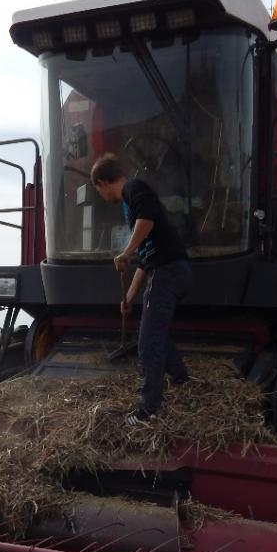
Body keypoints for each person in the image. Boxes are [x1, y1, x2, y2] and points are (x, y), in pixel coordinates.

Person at [90, 153, 193, 425]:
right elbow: (146, 261)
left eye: (98, 190)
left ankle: (147, 411)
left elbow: (146, 221)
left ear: (102, 183)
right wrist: (129, 296)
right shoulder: (129, 203)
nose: (100, 196)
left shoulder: (134, 188)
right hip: (168, 269)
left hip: (169, 270)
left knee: (148, 342)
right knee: (154, 331)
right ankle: (181, 379)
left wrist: (125, 252)